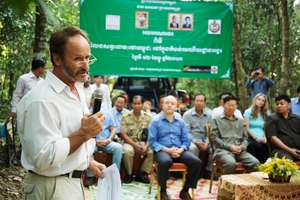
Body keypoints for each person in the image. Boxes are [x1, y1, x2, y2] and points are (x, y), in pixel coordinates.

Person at [17, 27, 106, 200]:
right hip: (50, 187)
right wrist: (84, 134)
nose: (86, 65)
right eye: (78, 59)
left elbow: (64, 137)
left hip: (71, 183)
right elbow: (43, 159)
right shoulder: (41, 100)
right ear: (57, 59)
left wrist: (88, 162)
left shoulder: (76, 89)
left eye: (87, 58)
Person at [149, 95, 202, 200]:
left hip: (179, 150)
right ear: (162, 105)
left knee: (196, 162)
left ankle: (185, 191)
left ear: (176, 106)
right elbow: (152, 141)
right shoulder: (155, 121)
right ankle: (163, 191)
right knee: (165, 162)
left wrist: (181, 149)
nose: (169, 105)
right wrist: (167, 150)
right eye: (167, 103)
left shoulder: (181, 121)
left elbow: (186, 140)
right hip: (162, 150)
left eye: (172, 103)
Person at [212, 96, 259, 174]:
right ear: (223, 105)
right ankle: (226, 185)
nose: (231, 107)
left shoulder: (240, 121)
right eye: (229, 105)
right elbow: (214, 138)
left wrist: (242, 147)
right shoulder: (216, 119)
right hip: (223, 151)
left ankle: (246, 185)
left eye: (234, 105)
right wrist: (230, 147)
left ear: (236, 107)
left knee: (255, 163)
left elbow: (245, 138)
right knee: (230, 163)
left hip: (239, 151)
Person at [121, 95, 153, 183]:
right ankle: (129, 174)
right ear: (132, 105)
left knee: (151, 151)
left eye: (139, 103)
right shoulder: (125, 117)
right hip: (130, 142)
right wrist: (135, 145)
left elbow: (151, 134)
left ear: (142, 104)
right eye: (135, 104)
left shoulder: (148, 117)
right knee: (128, 151)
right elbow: (123, 135)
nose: (137, 106)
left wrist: (146, 145)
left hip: (143, 142)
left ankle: (142, 174)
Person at [183, 94, 212, 177]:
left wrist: (206, 143)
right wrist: (196, 142)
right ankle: (193, 172)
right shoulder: (187, 114)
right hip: (192, 139)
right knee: (193, 148)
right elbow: (186, 132)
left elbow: (210, 132)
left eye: (201, 101)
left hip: (205, 139)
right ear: (193, 102)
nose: (199, 103)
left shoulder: (210, 115)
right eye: (197, 101)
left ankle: (208, 171)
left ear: (205, 103)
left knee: (213, 148)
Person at [266, 95, 300, 161]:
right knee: (287, 160)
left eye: (282, 103)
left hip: (297, 149)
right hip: (280, 150)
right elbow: (273, 139)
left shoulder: (296, 118)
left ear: (289, 105)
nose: (279, 106)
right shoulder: (272, 118)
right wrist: (290, 150)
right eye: (277, 104)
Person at [243, 93, 269, 163]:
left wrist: (265, 138)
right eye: (259, 99)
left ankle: (265, 168)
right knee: (255, 146)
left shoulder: (265, 113)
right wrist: (256, 138)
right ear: (255, 100)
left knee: (266, 146)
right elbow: (247, 128)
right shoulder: (248, 112)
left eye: (263, 100)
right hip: (251, 137)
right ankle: (256, 169)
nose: (260, 101)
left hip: (263, 137)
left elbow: (265, 128)